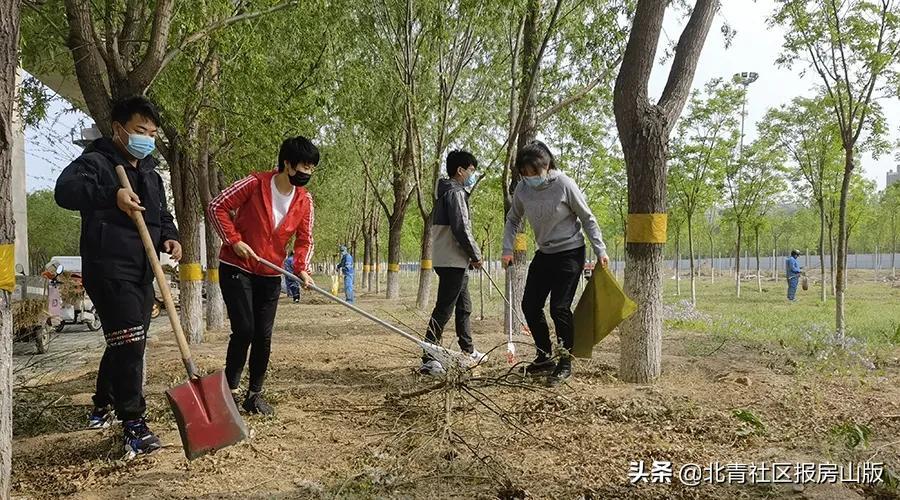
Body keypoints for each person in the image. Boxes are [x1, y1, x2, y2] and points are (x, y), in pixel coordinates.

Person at [55, 95, 181, 457]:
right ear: (118, 129)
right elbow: (65, 192)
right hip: (108, 269)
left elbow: (162, 216)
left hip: (143, 270)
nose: (147, 139)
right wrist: (113, 195)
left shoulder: (151, 175)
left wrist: (170, 237)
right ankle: (133, 424)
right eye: (140, 131)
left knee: (125, 341)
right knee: (130, 342)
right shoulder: (95, 162)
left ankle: (102, 404)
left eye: (153, 133)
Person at [207, 135, 318, 415]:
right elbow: (216, 207)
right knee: (245, 329)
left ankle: (254, 395)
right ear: (287, 164)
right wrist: (234, 240)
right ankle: (228, 393)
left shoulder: (305, 202)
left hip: (270, 273)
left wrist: (301, 267)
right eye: (303, 167)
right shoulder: (255, 183)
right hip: (238, 267)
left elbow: (305, 240)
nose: (307, 173)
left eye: (312, 168)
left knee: (263, 336)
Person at [501, 141, 609, 385]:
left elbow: (587, 217)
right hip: (545, 253)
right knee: (529, 304)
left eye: (533, 172)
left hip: (570, 252)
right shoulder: (522, 189)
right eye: (524, 173)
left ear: (546, 166)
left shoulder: (564, 184)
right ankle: (543, 356)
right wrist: (507, 249)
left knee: (559, 308)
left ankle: (564, 361)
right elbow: (513, 220)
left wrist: (600, 249)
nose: (529, 177)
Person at [420, 150, 487, 376]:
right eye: (471, 171)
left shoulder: (447, 192)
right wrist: (476, 254)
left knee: (464, 306)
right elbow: (461, 229)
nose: (472, 176)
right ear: (460, 170)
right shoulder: (455, 193)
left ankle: (468, 350)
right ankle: (429, 358)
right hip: (451, 260)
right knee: (444, 309)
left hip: (453, 259)